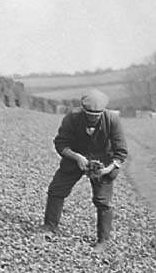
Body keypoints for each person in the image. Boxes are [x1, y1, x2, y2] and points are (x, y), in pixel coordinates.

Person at [42, 89, 128, 252]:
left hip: (102, 162)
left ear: (103, 112)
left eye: (97, 115)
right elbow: (60, 143)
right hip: (75, 157)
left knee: (102, 201)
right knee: (56, 190)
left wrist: (107, 169)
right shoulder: (72, 118)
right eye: (89, 114)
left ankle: (103, 240)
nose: (93, 118)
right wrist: (77, 157)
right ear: (83, 110)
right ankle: (49, 227)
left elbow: (121, 152)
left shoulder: (112, 120)